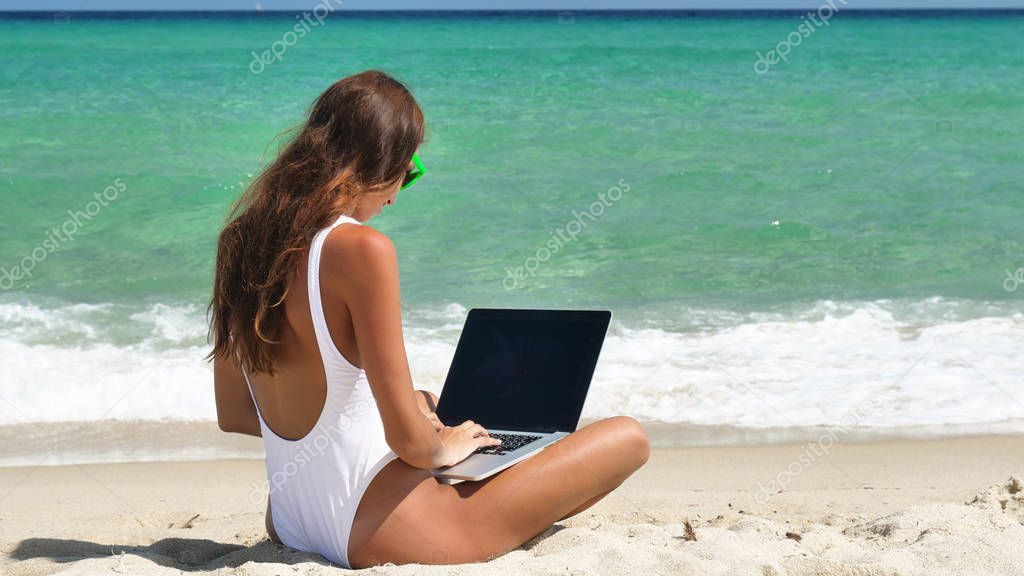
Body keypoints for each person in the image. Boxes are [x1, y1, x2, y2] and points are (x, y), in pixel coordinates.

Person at [207, 69, 649, 569]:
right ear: (379, 162)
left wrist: (404, 414)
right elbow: (411, 446)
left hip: (290, 520)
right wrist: (445, 445)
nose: (397, 194)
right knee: (627, 437)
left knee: (428, 402)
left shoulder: (241, 241)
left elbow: (237, 414)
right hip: (379, 532)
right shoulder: (362, 248)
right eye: (407, 170)